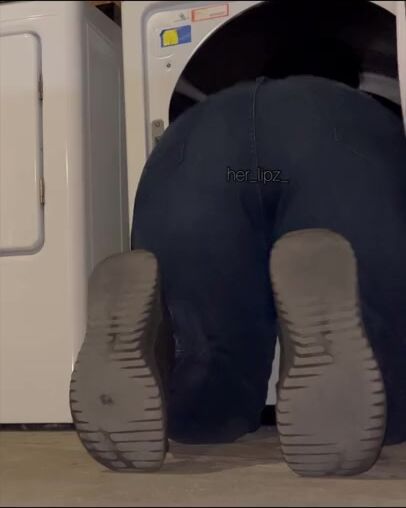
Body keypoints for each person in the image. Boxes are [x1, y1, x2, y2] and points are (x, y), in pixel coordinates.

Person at [69, 38, 406, 477]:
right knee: (374, 336)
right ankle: (335, 363)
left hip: (194, 143)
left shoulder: (216, 95)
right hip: (336, 138)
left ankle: (176, 371)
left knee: (210, 368)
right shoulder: (364, 102)